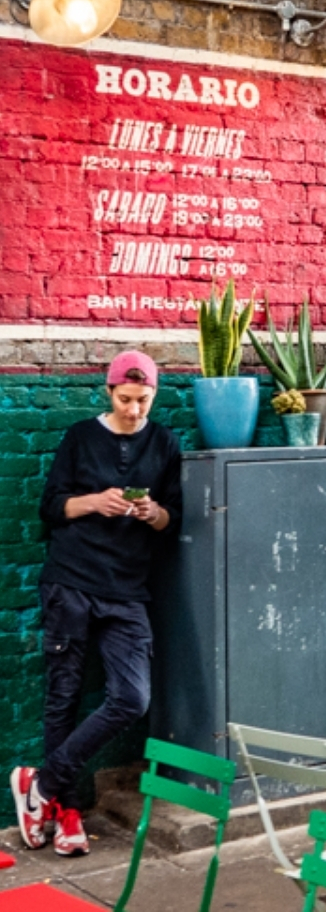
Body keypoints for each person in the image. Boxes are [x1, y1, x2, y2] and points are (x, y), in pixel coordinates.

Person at [10, 351, 182, 857]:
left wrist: (152, 513)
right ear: (108, 393)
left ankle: (39, 785)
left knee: (132, 697)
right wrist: (95, 501)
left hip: (128, 589)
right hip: (72, 581)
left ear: (154, 395)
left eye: (143, 401)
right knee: (63, 698)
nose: (134, 410)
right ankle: (65, 813)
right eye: (125, 400)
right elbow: (51, 506)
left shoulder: (165, 443)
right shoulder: (80, 437)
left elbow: (175, 518)